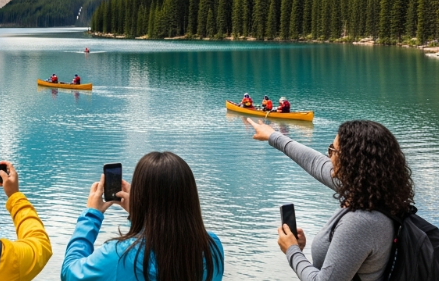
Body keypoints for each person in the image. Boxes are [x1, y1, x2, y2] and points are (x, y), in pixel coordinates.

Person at [248, 119, 415, 281]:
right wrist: (272, 135)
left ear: (351, 162)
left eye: (332, 150)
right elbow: (314, 162)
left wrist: (292, 250)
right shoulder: (375, 195)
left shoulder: (360, 222)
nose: (329, 157)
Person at [62, 152, 224, 281]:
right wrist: (139, 215)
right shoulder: (212, 247)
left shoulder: (119, 256)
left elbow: (70, 273)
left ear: (141, 197)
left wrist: (91, 215)